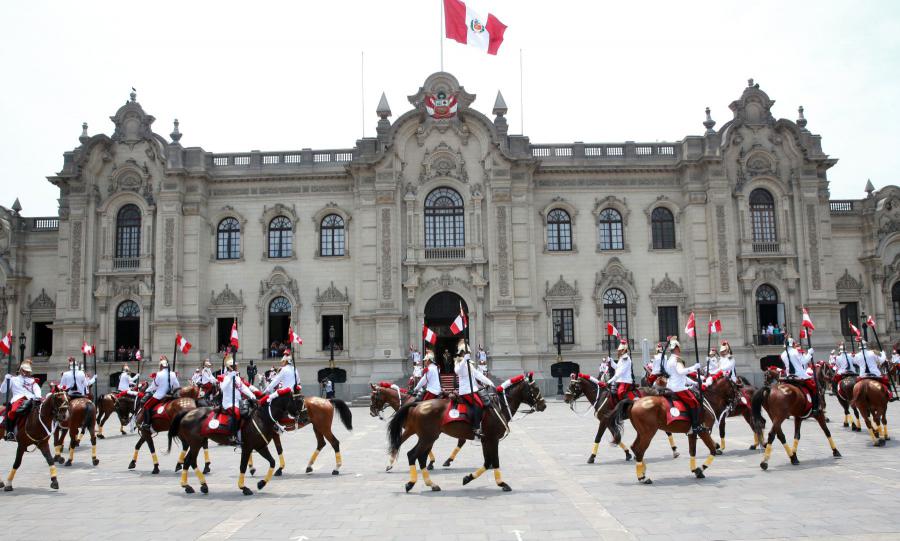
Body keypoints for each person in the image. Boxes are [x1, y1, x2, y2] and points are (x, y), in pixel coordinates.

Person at [454, 339, 494, 438]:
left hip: (473, 389)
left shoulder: (469, 363)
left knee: (484, 402)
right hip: (466, 390)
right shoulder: (458, 362)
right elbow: (457, 371)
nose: (469, 354)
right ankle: (475, 428)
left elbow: (477, 374)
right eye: (467, 353)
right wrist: (464, 360)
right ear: (462, 353)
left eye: (469, 353)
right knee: (479, 404)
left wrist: (489, 382)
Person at [664, 338, 703, 434]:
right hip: (679, 388)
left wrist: (694, 383)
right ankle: (695, 427)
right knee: (695, 403)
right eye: (679, 348)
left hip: (671, 386)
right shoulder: (677, 359)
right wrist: (694, 367)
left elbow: (679, 375)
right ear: (677, 348)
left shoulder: (669, 360)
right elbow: (681, 372)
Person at [217, 353, 257, 444]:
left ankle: (244, 433)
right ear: (231, 367)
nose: (237, 367)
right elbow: (222, 388)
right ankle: (232, 435)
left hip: (237, 401)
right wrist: (230, 376)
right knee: (237, 413)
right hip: (228, 403)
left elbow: (242, 387)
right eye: (235, 366)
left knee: (249, 410)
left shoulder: (237, 377)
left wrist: (252, 395)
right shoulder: (225, 377)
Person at [1, 361, 41, 441]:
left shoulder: (32, 380)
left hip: (31, 399)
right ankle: (10, 432)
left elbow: (37, 389)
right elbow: (3, 390)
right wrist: (6, 380)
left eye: (28, 371)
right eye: (24, 370)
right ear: (21, 370)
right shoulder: (13, 379)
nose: (26, 372)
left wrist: (38, 396)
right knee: (13, 411)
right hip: (18, 399)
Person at [781, 337, 820, 416]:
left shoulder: (782, 354)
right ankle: (815, 408)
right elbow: (804, 361)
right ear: (793, 344)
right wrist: (809, 353)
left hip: (789, 377)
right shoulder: (796, 352)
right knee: (814, 388)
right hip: (800, 376)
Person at [140, 356, 181, 431]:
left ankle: (147, 424)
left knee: (146, 406)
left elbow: (154, 386)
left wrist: (147, 390)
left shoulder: (158, 374)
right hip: (170, 395)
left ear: (161, 366)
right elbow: (177, 386)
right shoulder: (173, 374)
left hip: (159, 395)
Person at [602, 340, 636, 404]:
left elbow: (620, 373)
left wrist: (609, 381)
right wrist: (611, 361)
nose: (618, 351)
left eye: (619, 350)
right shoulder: (621, 358)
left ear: (623, 350)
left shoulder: (626, 359)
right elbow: (617, 368)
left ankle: (632, 402)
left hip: (625, 380)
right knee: (612, 391)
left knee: (620, 393)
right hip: (620, 380)